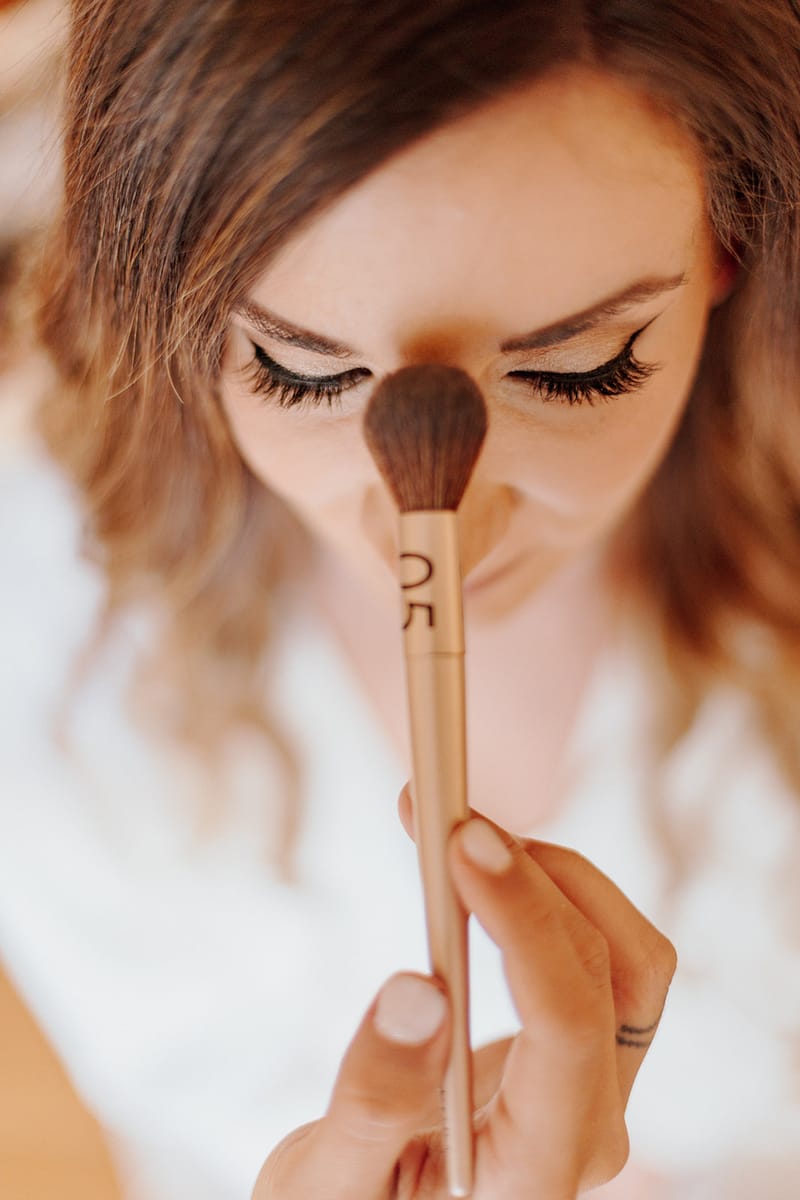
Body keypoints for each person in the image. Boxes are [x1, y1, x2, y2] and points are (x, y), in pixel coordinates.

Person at [2, 1, 799, 1197]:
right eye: (298, 369)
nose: (438, 527)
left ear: (727, 235)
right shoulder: (48, 627)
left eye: (574, 370)